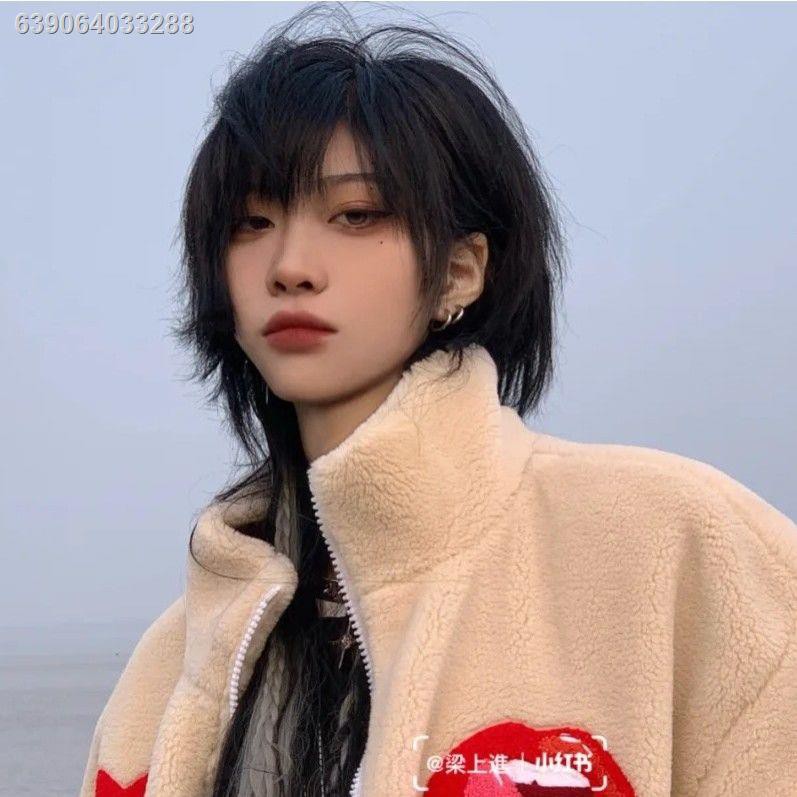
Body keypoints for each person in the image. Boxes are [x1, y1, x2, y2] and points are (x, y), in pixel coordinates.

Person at [79, 5, 797, 797]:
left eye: (356, 214)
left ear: (460, 271)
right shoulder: (177, 656)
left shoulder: (675, 542)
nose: (289, 265)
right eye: (251, 222)